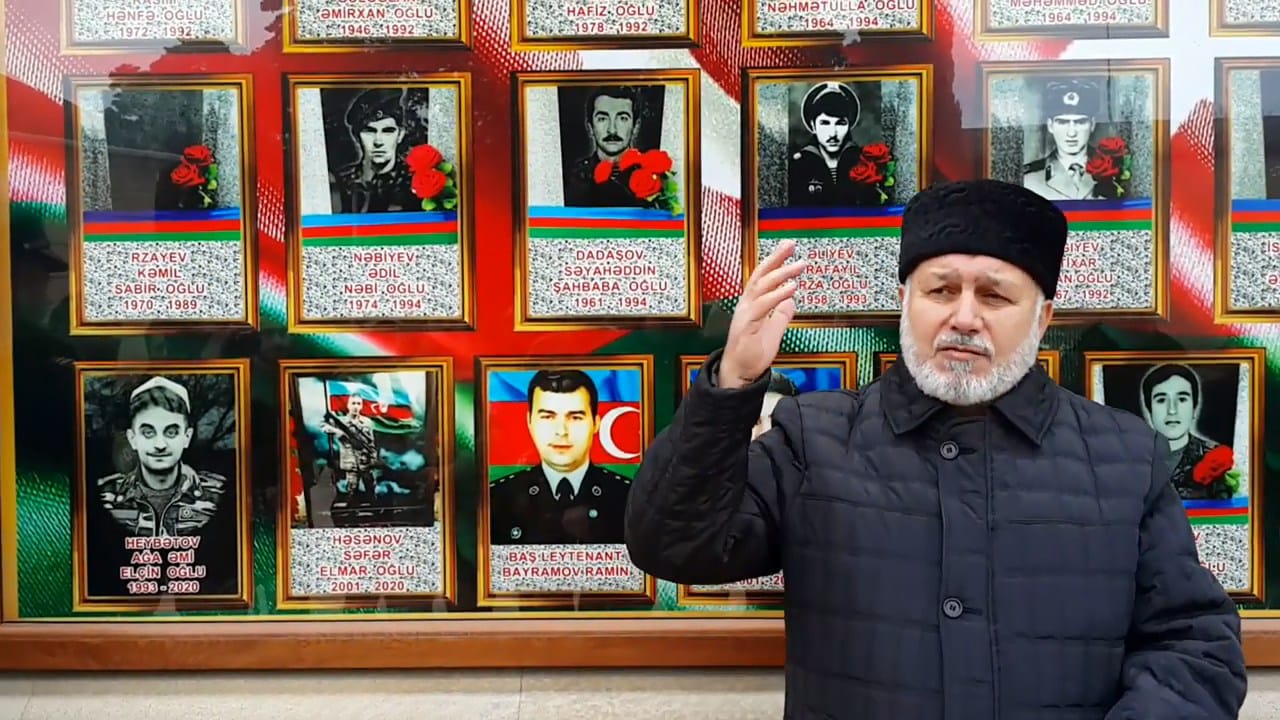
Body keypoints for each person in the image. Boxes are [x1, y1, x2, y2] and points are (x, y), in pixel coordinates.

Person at [624, 178, 1246, 718]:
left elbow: (1194, 644)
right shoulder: (815, 439)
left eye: (995, 296)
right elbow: (674, 544)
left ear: (1042, 318)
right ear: (905, 302)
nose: (964, 318)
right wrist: (732, 383)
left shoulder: (1124, 458)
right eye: (941, 290)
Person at [489, 369, 632, 545]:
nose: (561, 431)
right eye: (548, 417)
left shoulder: (629, 497)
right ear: (529, 422)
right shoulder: (496, 499)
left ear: (596, 423)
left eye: (575, 417)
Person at [96, 376, 228, 537]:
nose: (160, 445)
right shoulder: (106, 496)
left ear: (187, 437)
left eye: (171, 432)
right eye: (148, 432)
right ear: (132, 438)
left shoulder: (219, 493)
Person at [1138, 363, 1230, 500]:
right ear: (1149, 409)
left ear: (1194, 407)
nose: (1172, 410)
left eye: (1182, 399)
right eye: (1161, 400)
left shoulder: (1216, 457)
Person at [1022, 79, 1102, 201]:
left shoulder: (1115, 172)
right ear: (1050, 125)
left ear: (1092, 124)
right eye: (1063, 122)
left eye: (1080, 122)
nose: (1071, 133)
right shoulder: (1030, 179)